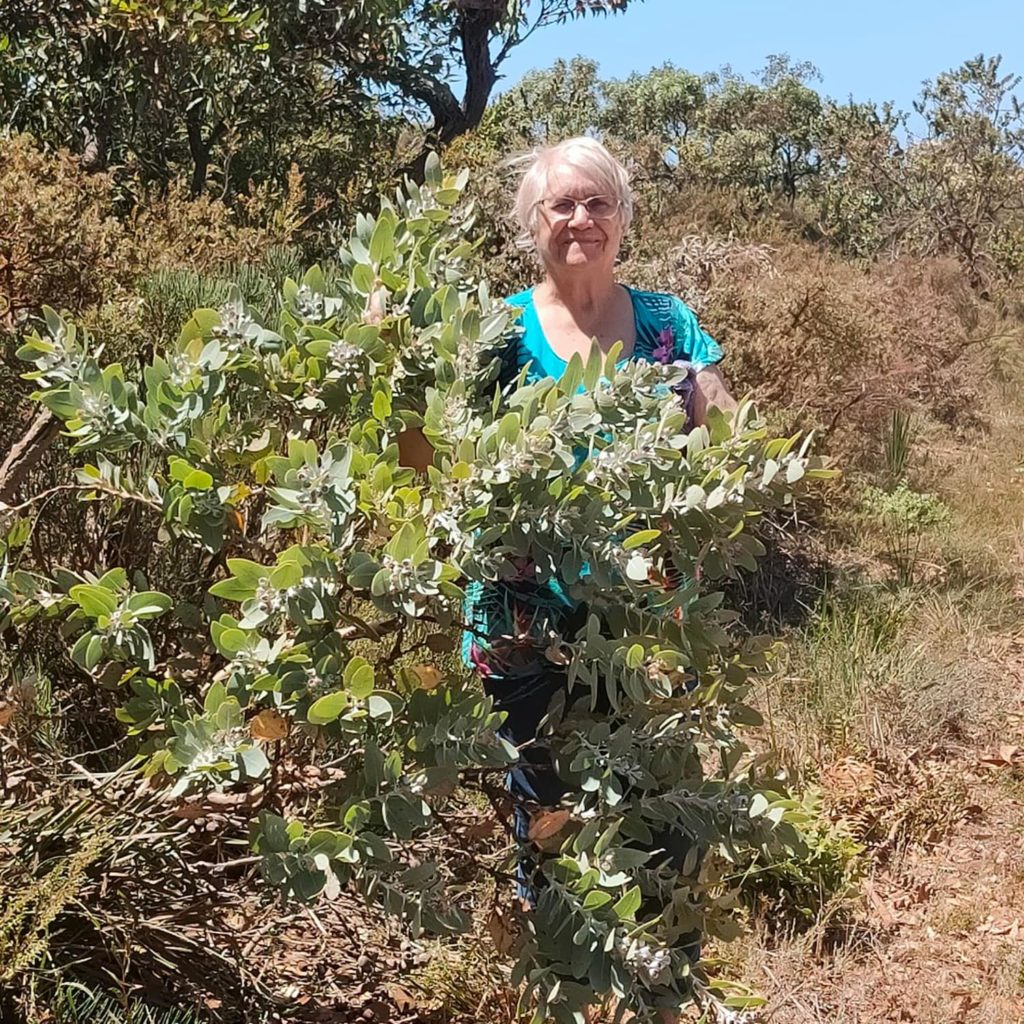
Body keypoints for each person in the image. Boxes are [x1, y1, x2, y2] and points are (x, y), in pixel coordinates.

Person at [402, 136, 736, 1018]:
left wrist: (703, 468)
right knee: (550, 833)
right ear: (532, 223)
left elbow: (733, 438)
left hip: (650, 625)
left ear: (623, 216)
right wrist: (403, 371)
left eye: (597, 203)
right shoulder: (499, 333)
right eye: (561, 205)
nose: (580, 219)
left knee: (667, 820)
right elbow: (425, 453)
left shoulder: (669, 325)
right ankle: (566, 996)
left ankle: (668, 991)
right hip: (524, 628)